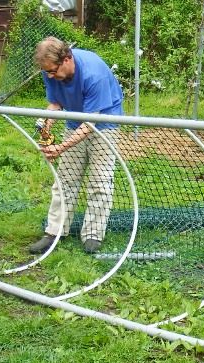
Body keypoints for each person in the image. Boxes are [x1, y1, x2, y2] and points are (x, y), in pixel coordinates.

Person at [29, 36, 124, 254]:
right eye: (47, 72)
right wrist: (47, 123)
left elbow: (90, 123)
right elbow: (55, 103)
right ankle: (54, 232)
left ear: (67, 59)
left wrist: (60, 148)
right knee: (64, 181)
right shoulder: (49, 71)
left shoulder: (93, 73)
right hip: (75, 121)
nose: (50, 76)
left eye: (53, 71)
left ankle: (93, 235)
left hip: (104, 124)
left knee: (100, 182)